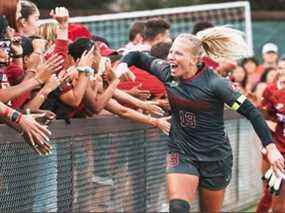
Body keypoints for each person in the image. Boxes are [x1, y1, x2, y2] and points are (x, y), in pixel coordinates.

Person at [117, 26, 285, 212]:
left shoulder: (216, 84)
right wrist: (123, 63)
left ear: (195, 59)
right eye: (171, 51)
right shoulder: (166, 72)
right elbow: (138, 57)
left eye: (178, 53)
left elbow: (251, 112)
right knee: (178, 207)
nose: (171, 57)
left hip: (215, 157)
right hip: (181, 151)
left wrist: (271, 148)